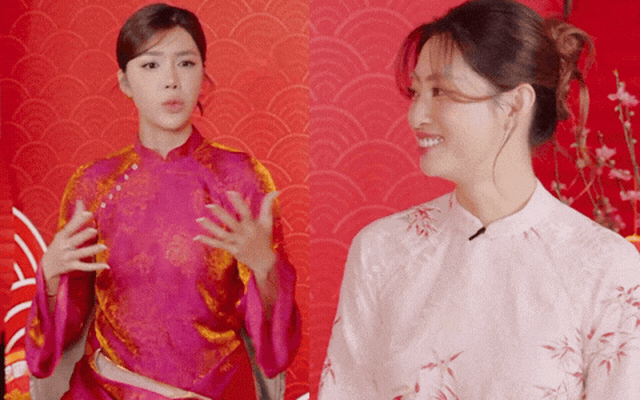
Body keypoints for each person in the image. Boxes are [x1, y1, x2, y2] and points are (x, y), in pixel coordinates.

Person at [319, 0, 640, 399]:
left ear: (515, 105)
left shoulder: (605, 267)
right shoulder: (381, 251)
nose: (416, 116)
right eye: (417, 92)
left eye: (440, 91)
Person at [25, 4, 301, 400]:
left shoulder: (239, 178)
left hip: (215, 390)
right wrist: (50, 277)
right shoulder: (93, 185)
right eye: (151, 65)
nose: (171, 81)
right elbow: (50, 350)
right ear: (125, 81)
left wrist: (265, 266)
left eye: (185, 63)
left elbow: (277, 353)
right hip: (109, 390)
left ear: (203, 75)